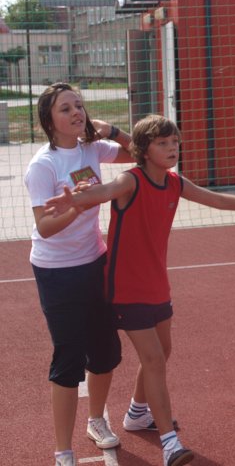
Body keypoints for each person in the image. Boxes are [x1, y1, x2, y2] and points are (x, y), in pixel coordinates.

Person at [45, 114, 235, 466]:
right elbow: (102, 192)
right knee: (152, 359)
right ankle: (170, 444)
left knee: (163, 351)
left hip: (156, 284)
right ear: (145, 150)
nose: (171, 148)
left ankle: (137, 413)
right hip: (126, 288)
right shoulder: (129, 181)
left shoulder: (175, 183)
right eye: (163, 143)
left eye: (174, 142)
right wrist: (75, 200)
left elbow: (219, 200)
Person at [23, 82, 134, 466]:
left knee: (106, 352)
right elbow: (44, 227)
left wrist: (113, 130)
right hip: (57, 272)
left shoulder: (91, 148)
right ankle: (62, 450)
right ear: (49, 120)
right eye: (66, 109)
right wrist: (78, 206)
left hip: (95, 262)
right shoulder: (44, 165)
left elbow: (140, 150)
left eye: (79, 106)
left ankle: (96, 420)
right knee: (69, 358)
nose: (76, 113)